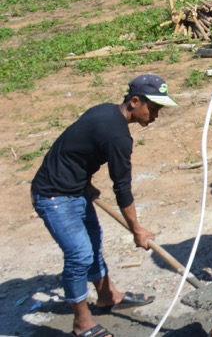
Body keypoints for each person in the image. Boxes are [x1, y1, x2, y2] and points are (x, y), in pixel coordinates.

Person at [31, 74, 177, 337]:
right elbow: (122, 189)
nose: (156, 115)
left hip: (76, 190)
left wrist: (82, 179)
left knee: (93, 245)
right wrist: (137, 229)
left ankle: (107, 296)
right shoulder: (117, 137)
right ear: (134, 101)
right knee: (80, 255)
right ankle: (82, 324)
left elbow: (73, 147)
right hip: (53, 196)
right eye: (153, 109)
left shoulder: (105, 111)